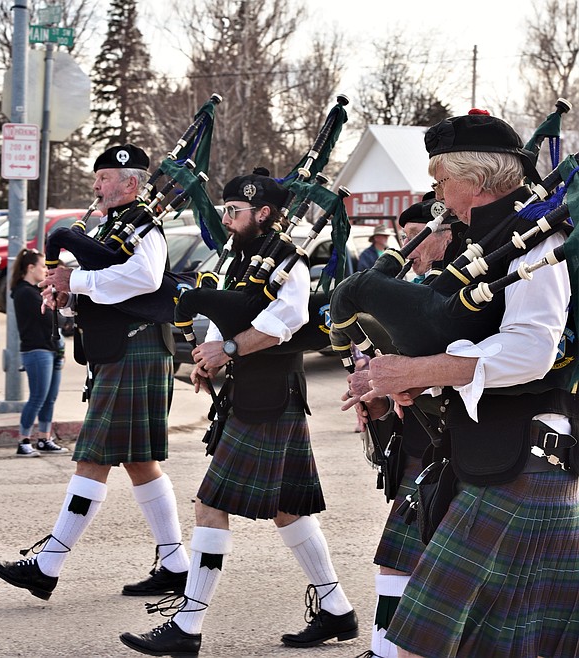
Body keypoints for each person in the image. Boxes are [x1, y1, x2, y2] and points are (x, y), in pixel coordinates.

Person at [358, 111, 578, 657]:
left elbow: (532, 348)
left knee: (423, 645)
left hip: (524, 460)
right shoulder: (478, 245)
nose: (435, 192)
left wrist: (421, 371)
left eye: (440, 179)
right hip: (486, 454)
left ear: (474, 181)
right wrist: (412, 383)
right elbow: (469, 339)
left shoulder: (533, 242)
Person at [119, 170, 358, 657]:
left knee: (211, 503)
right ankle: (337, 609)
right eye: (225, 209)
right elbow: (227, 314)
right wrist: (210, 355)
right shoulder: (242, 258)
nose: (226, 219)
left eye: (235, 211)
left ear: (264, 213)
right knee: (287, 509)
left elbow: (282, 325)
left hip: (270, 396)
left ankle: (188, 625)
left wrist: (226, 350)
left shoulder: (288, 261)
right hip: (252, 394)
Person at [0, 144, 190, 601]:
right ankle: (176, 564)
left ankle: (48, 565)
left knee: (94, 455)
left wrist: (75, 281)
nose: (97, 185)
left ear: (131, 182)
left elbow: (144, 278)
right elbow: (110, 278)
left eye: (104, 177)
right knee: (140, 462)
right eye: (98, 177)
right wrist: (69, 294)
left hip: (135, 347)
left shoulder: (145, 225)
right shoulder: (116, 226)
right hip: (123, 348)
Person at [343, 196, 459, 658]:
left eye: (416, 237)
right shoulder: (404, 294)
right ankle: (379, 649)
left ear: (445, 234)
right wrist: (377, 388)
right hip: (422, 443)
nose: (407, 248)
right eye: (403, 237)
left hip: (467, 447)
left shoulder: (461, 291)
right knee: (397, 560)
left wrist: (409, 380)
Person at [10, 248, 67, 457]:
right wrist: (60, 314)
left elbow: (56, 318)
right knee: (38, 397)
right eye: (43, 266)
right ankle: (23, 441)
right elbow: (49, 318)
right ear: (30, 268)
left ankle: (44, 438)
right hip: (36, 350)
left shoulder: (34, 291)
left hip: (51, 349)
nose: (46, 270)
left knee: (50, 397)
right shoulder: (24, 292)